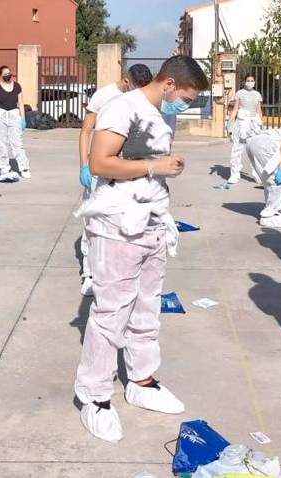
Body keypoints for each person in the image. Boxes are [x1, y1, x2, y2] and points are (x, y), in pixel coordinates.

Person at [73, 55, 208, 443]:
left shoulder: (164, 114)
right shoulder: (122, 108)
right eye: (185, 96)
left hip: (152, 220)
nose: (185, 104)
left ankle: (141, 380)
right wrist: (154, 167)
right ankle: (95, 397)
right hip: (117, 223)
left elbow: (152, 160)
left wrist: (163, 167)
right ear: (169, 85)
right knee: (111, 311)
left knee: (147, 306)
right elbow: (100, 162)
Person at [76, 64, 153, 297]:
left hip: (126, 170)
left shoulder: (143, 97)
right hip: (99, 168)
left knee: (126, 225)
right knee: (93, 225)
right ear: (126, 81)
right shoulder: (104, 96)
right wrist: (84, 165)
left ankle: (120, 273)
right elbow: (86, 130)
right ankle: (90, 275)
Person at [0, 65, 30, 178]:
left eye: (9, 74)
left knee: (17, 143)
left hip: (14, 114)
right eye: (5, 74)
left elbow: (21, 103)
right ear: (0, 75)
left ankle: (24, 168)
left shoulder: (17, 86)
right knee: (1, 143)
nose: (8, 76)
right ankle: (4, 166)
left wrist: (23, 118)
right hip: (0, 115)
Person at [227, 74, 263, 184]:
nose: (250, 82)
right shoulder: (239, 93)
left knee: (254, 149)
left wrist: (260, 123)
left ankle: (258, 174)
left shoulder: (257, 94)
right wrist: (230, 124)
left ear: (255, 82)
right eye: (248, 80)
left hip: (253, 124)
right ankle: (234, 174)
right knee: (237, 149)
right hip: (241, 123)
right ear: (244, 81)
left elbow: (258, 110)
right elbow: (235, 109)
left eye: (252, 80)